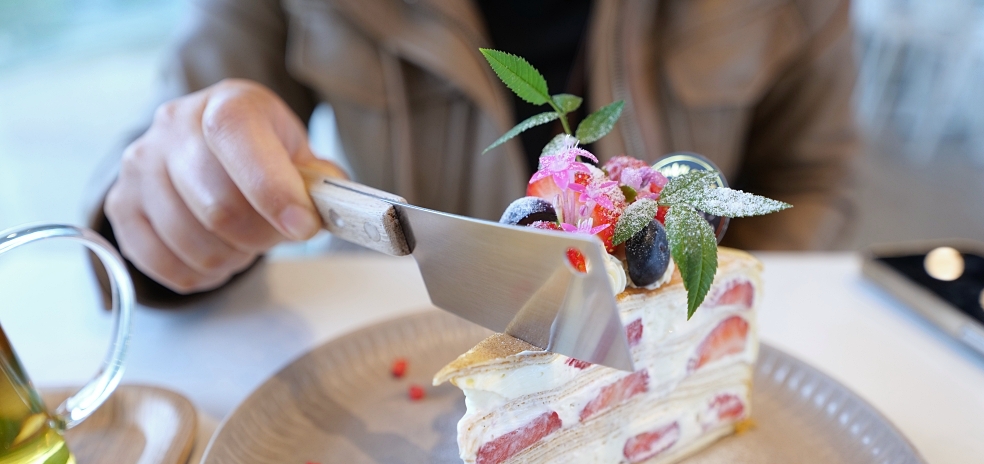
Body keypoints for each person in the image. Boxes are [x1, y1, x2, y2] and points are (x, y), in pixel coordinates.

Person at [92, 0, 857, 304]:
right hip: (400, 357)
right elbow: (169, 142)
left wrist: (698, 316)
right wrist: (173, 203)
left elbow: (815, 178)